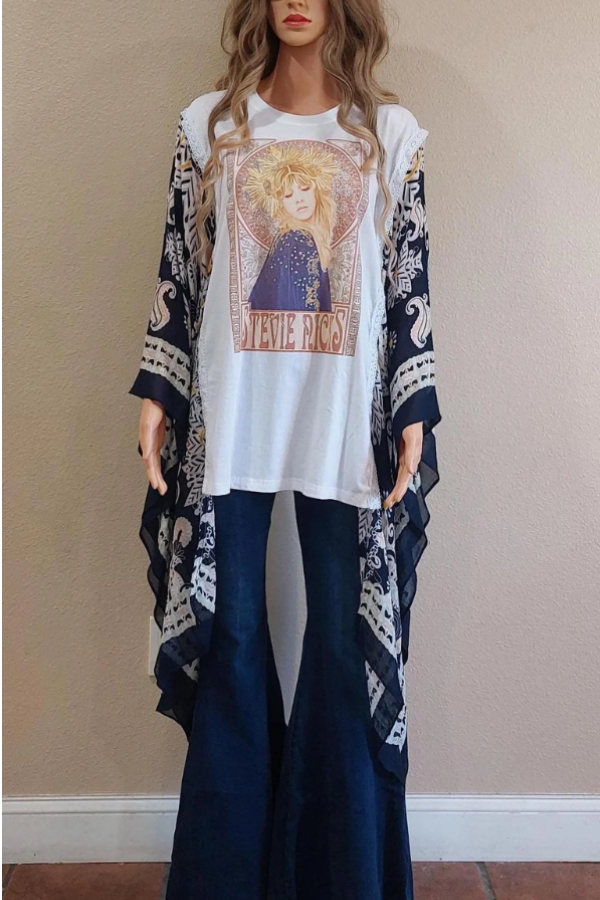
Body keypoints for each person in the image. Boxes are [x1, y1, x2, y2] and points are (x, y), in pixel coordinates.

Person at [129, 1, 442, 898]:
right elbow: (180, 271)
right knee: (231, 637)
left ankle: (340, 879)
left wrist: (414, 406)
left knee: (343, 645)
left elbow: (410, 284)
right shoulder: (211, 127)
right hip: (231, 423)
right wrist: (158, 392)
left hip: (345, 426)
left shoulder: (389, 135)